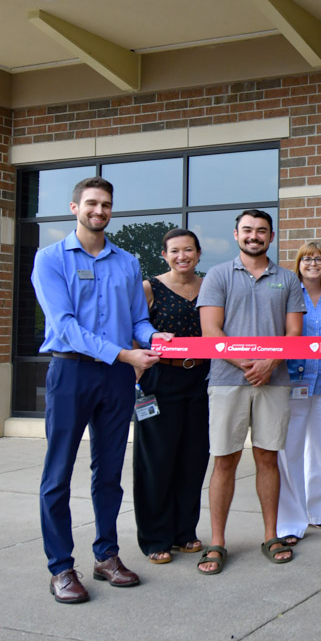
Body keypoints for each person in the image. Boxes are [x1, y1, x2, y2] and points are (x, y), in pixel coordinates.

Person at [31, 176, 169, 604]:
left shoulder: (127, 262)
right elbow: (65, 327)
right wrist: (125, 355)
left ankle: (107, 555)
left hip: (115, 379)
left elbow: (136, 323)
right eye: (92, 203)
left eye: (106, 204)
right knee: (58, 474)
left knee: (108, 474)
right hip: (71, 373)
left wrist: (155, 339)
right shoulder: (50, 259)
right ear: (75, 208)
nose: (100, 210)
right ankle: (60, 567)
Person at [196, 210, 304, 575]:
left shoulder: (287, 279)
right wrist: (249, 363)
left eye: (261, 231)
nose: (254, 236)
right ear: (236, 234)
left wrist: (269, 363)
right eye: (247, 230)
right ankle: (217, 542)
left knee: (267, 458)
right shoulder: (218, 275)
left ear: (271, 237)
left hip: (274, 381)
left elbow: (294, 334)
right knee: (224, 460)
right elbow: (211, 332)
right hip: (228, 381)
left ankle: (271, 536)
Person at [132, 228, 209, 566]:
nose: (182, 256)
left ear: (198, 253)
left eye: (189, 250)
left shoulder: (209, 286)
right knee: (157, 461)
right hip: (159, 381)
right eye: (175, 251)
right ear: (164, 255)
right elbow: (134, 328)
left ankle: (184, 532)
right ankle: (155, 537)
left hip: (201, 380)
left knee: (193, 459)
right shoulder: (149, 288)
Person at [275, 241, 321, 546]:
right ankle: (290, 520)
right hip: (292, 383)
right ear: (298, 264)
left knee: (317, 449)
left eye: (319, 259)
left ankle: (318, 511)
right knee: (290, 452)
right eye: (307, 259)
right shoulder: (288, 296)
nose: (313, 263)